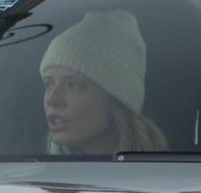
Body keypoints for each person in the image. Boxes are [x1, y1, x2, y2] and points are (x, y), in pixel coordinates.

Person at [40, 11, 168, 156]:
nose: (52, 99)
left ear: (117, 97)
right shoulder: (35, 171)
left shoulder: (163, 176)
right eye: (48, 84)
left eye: (73, 85)